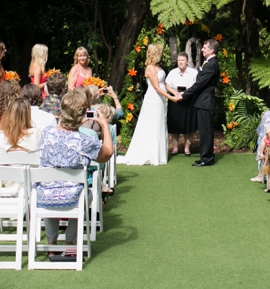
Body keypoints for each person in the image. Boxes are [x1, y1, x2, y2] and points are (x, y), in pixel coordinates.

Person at [35, 90, 113, 262]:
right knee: (86, 194)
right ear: (83, 114)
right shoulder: (85, 141)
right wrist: (105, 125)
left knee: (49, 188)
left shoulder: (46, 133)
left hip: (44, 195)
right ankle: (69, 243)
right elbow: (107, 153)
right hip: (73, 196)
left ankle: (52, 245)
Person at [118, 43, 175, 166]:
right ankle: (151, 154)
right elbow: (156, 87)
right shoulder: (150, 68)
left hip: (161, 99)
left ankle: (159, 154)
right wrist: (171, 98)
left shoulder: (158, 67)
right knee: (153, 123)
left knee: (160, 122)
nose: (161, 54)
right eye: (159, 52)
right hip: (154, 98)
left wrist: (174, 92)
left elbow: (164, 84)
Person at [179, 38, 221, 167]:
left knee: (206, 132)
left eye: (205, 47)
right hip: (202, 102)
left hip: (206, 102)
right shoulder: (209, 63)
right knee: (203, 131)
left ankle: (207, 158)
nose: (202, 49)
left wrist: (185, 94)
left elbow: (200, 84)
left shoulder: (212, 65)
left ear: (212, 50)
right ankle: (205, 156)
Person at [165, 51, 198, 156]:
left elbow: (197, 85)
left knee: (189, 126)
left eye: (182, 60)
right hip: (175, 101)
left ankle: (187, 149)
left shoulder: (194, 73)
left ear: (187, 61)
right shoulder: (172, 72)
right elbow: (167, 85)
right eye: (179, 60)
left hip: (188, 101)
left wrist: (187, 91)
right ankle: (175, 148)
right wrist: (174, 92)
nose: (180, 62)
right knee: (174, 126)